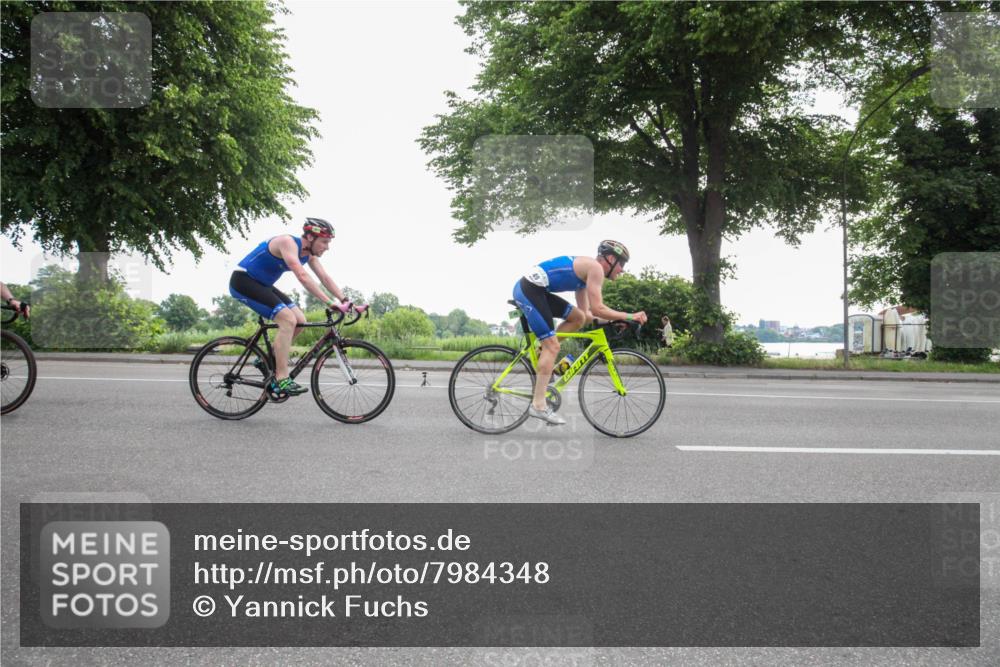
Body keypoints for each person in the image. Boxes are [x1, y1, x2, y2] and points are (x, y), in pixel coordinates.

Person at [512, 240, 647, 425]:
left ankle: (542, 350)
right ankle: (538, 405)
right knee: (552, 347)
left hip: (536, 290)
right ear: (609, 259)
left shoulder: (585, 276)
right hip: (529, 290)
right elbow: (598, 308)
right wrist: (630, 316)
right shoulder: (596, 269)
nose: (622, 270)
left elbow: (588, 314)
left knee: (578, 318)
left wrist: (616, 319)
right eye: (621, 264)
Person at [230, 218, 353, 397]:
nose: (327, 247)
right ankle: (282, 379)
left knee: (300, 321)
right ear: (310, 237)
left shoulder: (308, 255)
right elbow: (302, 276)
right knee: (288, 320)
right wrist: (329, 303)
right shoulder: (288, 243)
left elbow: (324, 278)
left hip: (263, 285)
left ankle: (266, 360)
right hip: (243, 281)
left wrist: (345, 301)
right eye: (324, 242)